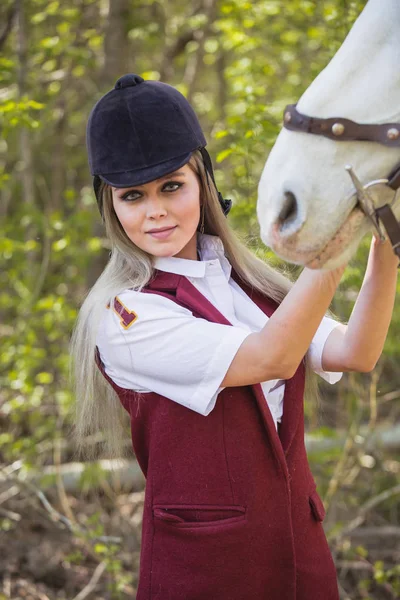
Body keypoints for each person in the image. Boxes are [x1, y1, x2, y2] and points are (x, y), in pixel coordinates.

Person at [71, 73, 399, 600]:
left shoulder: (249, 286)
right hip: (208, 574)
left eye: (172, 186)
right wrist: (338, 229)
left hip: (302, 557)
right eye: (133, 195)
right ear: (111, 207)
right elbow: (272, 357)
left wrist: (387, 236)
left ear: (202, 182)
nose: (155, 210)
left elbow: (355, 351)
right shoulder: (125, 315)